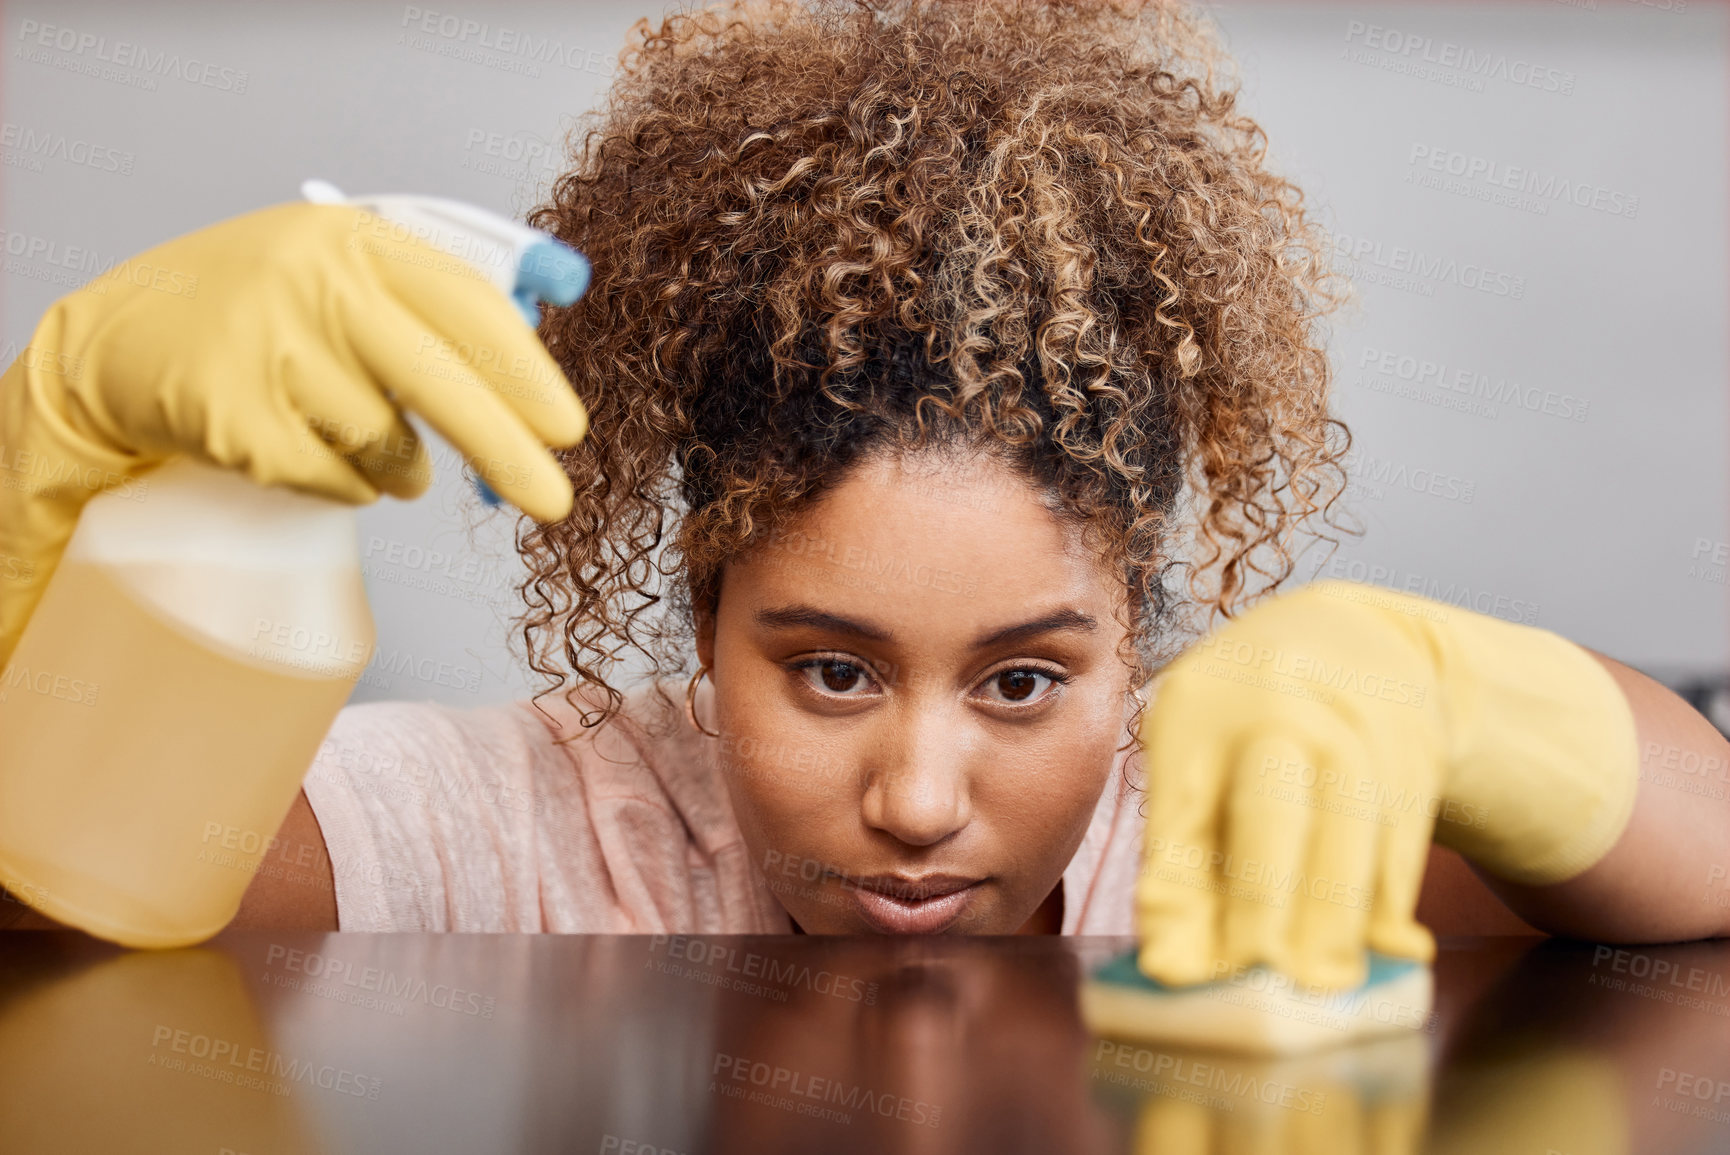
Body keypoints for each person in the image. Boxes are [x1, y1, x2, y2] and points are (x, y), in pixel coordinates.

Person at [2, 0, 1726, 992]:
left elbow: (1701, 865)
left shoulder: (1212, 816)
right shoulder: (530, 825)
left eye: (1025, 679)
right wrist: (46, 460)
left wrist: (1478, 698)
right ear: (700, 614)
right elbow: (42, 904)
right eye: (827, 668)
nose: (916, 799)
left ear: (1141, 633)